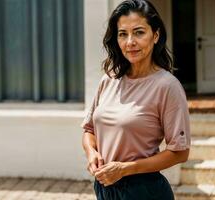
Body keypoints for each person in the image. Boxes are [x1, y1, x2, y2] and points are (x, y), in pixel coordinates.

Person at [81, 0, 190, 199]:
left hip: (144, 191)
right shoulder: (109, 79)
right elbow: (89, 130)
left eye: (139, 32)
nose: (130, 42)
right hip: (105, 188)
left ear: (155, 35)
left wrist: (124, 169)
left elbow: (180, 152)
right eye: (123, 34)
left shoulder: (167, 86)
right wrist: (91, 153)